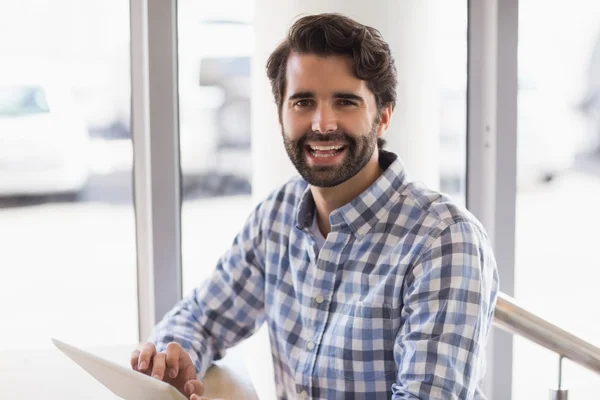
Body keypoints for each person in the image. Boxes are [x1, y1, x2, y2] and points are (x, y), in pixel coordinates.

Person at [131, 13, 499, 400]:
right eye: (304, 102)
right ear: (281, 116)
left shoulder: (444, 240)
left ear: (383, 116)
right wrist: (173, 357)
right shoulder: (278, 214)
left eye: (346, 102)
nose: (323, 124)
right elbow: (201, 318)